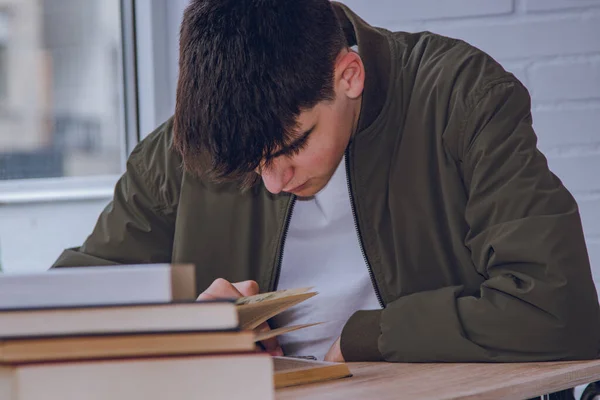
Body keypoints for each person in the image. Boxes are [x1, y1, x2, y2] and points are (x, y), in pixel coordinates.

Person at [53, 0, 600, 364]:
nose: (273, 182)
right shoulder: (190, 148)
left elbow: (559, 309)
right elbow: (57, 316)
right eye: (252, 165)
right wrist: (183, 329)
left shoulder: (459, 97)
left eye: (292, 146)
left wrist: (373, 337)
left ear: (349, 76)